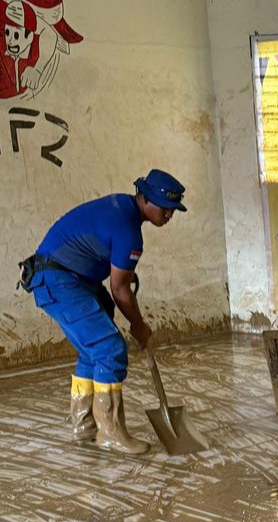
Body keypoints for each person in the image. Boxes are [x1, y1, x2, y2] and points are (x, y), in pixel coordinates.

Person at [21, 169, 187, 454]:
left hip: (60, 276)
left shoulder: (122, 208)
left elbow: (113, 270)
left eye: (174, 210)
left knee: (92, 351)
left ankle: (84, 425)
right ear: (145, 200)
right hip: (59, 280)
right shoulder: (128, 229)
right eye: (166, 208)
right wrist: (139, 325)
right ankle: (109, 431)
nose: (169, 215)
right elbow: (120, 289)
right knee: (109, 347)